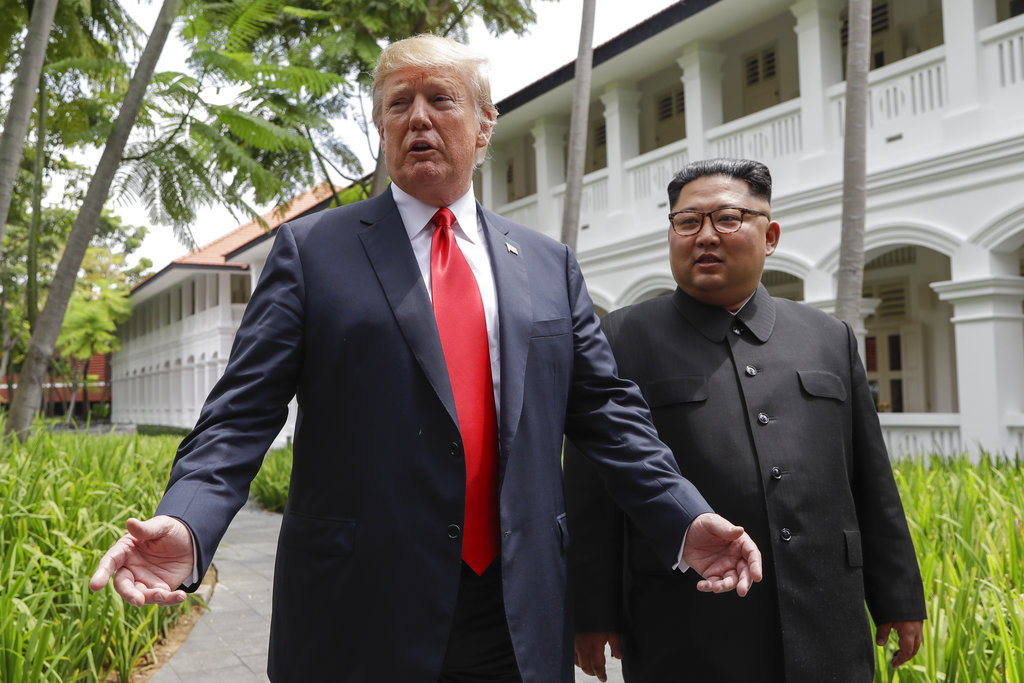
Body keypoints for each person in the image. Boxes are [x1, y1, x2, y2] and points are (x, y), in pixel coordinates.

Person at [89, 37, 763, 683]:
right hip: (358, 608)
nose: (418, 119)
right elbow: (239, 417)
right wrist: (187, 519)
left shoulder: (547, 265)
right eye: (397, 104)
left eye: (440, 99)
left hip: (515, 610)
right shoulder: (311, 253)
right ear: (380, 127)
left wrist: (683, 514)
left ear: (483, 124)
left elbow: (609, 414)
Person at [565, 158, 927, 683]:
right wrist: (591, 613)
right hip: (687, 618)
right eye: (687, 222)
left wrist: (897, 593)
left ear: (770, 234)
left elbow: (871, 480)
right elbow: (592, 490)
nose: (705, 236)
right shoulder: (622, 338)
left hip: (826, 611)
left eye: (727, 219)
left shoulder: (828, 336)